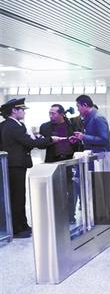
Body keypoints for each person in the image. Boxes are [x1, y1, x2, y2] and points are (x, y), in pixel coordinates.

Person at [1, 98, 61, 238]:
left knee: (17, 196)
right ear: (14, 111)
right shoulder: (13, 126)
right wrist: (50, 140)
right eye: (22, 109)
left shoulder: (7, 125)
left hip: (12, 164)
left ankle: (22, 225)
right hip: (15, 165)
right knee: (17, 197)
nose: (24, 112)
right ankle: (17, 228)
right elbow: (29, 142)